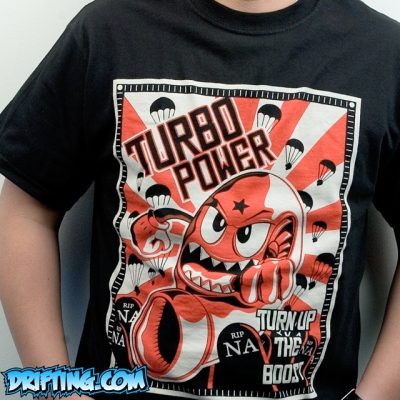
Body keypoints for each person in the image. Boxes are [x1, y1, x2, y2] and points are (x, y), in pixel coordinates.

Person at [0, 0, 400, 399]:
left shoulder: (381, 52)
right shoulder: (108, 32)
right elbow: (26, 208)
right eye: (217, 223)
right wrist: (57, 390)